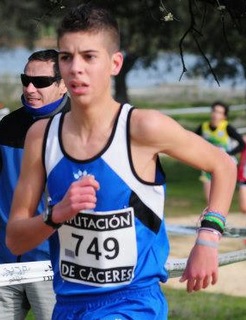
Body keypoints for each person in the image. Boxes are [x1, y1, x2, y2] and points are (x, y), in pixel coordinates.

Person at [6, 4, 237, 320]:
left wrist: (209, 239)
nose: (76, 68)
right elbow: (15, 237)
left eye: (89, 57)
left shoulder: (143, 128)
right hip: (69, 306)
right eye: (66, 57)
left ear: (115, 63)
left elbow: (223, 164)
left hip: (132, 303)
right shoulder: (41, 137)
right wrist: (56, 214)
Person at [0, 49, 70, 320]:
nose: (30, 88)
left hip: (55, 268)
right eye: (25, 79)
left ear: (63, 83)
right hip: (5, 261)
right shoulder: (7, 126)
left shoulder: (80, 127)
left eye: (40, 82)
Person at [195, 101, 244, 204]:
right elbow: (191, 140)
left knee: (220, 202)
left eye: (219, 112)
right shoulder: (203, 127)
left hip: (224, 166)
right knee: (209, 201)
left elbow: (241, 144)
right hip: (208, 166)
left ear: (224, 116)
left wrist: (229, 153)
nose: (215, 114)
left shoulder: (227, 128)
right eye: (214, 111)